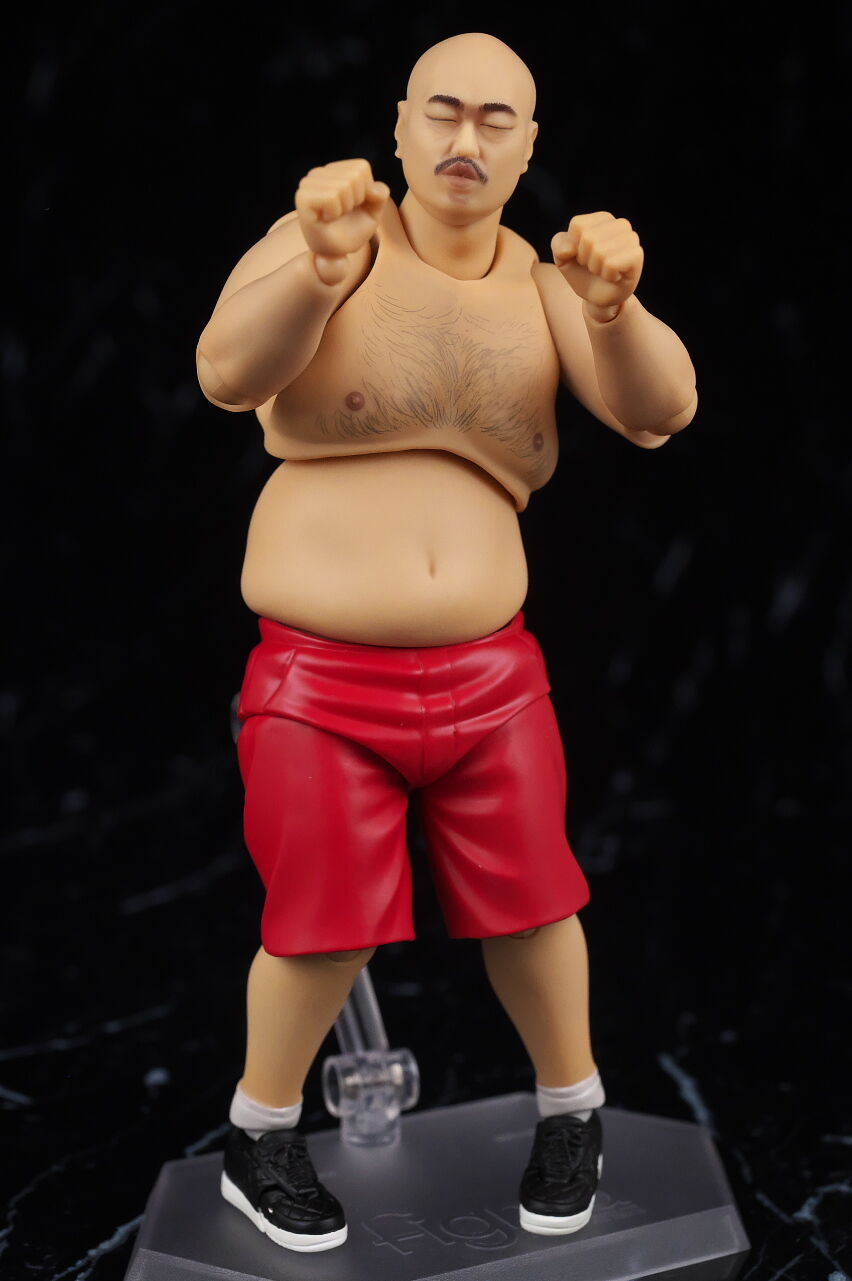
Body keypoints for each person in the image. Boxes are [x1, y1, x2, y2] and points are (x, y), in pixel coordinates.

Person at [196, 30, 697, 1254]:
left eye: (496, 120)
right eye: (444, 111)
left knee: (536, 901)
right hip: (323, 677)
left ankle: (573, 1110)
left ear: (529, 151)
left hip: (490, 673)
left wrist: (616, 309)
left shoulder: (544, 283)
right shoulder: (336, 230)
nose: (466, 140)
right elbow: (223, 373)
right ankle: (259, 1134)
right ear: (403, 123)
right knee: (322, 922)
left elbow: (659, 413)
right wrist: (317, 274)